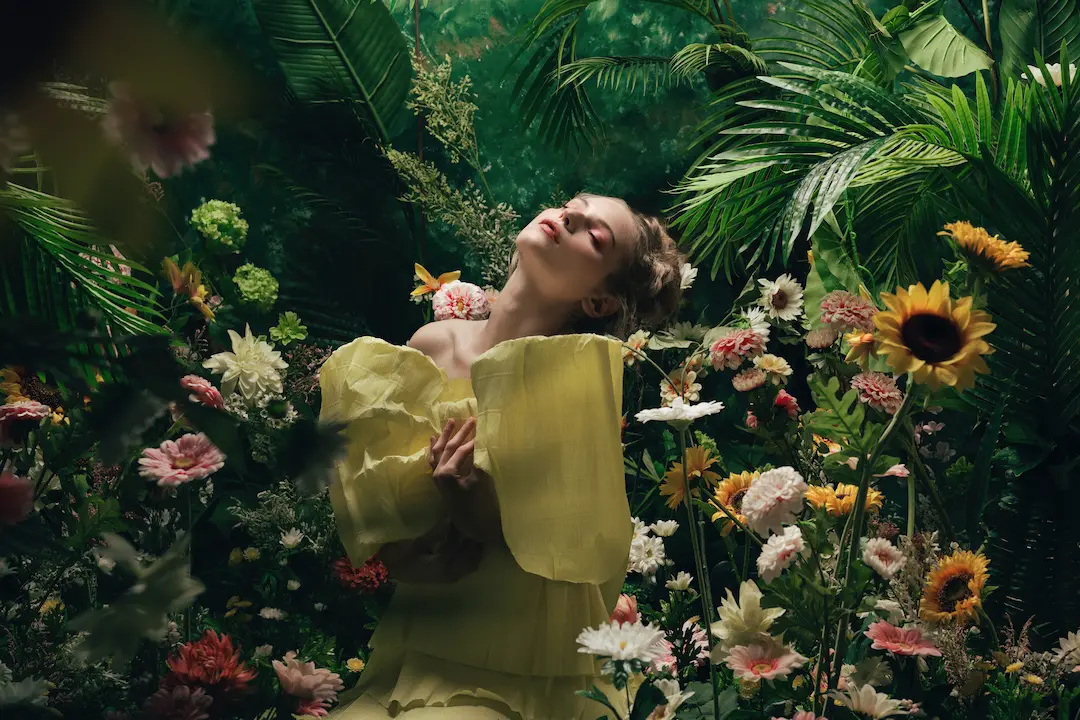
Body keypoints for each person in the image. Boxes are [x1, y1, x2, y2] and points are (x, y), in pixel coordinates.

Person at [320, 193, 685, 719]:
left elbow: (579, 548)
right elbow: (393, 529)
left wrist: (479, 514)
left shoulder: (575, 377)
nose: (569, 215)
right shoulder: (431, 344)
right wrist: (408, 561)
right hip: (423, 639)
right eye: (573, 204)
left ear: (599, 302)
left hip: (522, 661)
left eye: (594, 234)